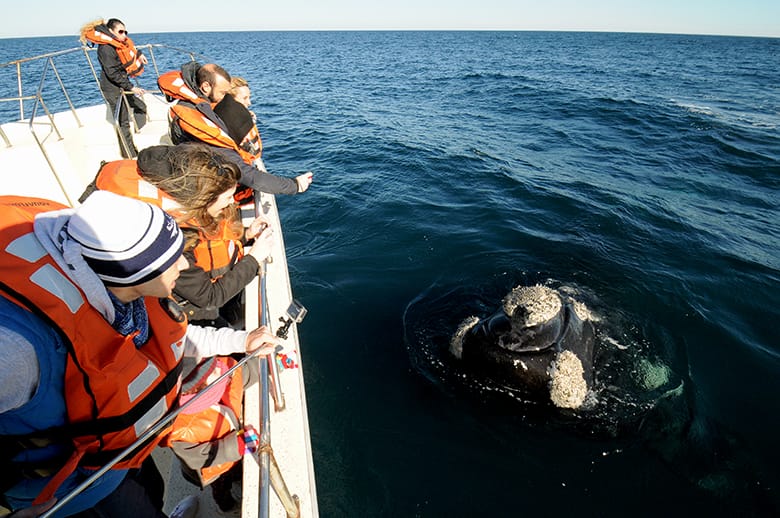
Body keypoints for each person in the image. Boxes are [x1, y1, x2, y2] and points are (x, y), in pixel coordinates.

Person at [0, 191, 280, 517]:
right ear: (136, 272)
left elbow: (173, 336)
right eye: (171, 259)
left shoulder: (124, 290)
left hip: (121, 451)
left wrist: (241, 340)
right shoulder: (16, 350)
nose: (186, 264)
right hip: (64, 492)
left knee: (153, 490)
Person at [158, 62, 312, 196]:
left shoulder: (197, 97)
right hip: (197, 181)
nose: (225, 99)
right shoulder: (198, 121)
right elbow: (246, 174)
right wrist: (294, 185)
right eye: (224, 93)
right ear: (205, 86)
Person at [80, 18, 148, 159]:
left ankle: (136, 134)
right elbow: (112, 73)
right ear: (111, 31)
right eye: (121, 32)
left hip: (122, 83)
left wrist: (140, 55)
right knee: (122, 121)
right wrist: (132, 88)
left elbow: (130, 49)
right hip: (112, 88)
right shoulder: (106, 49)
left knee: (140, 107)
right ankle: (129, 153)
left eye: (125, 31)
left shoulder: (119, 43)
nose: (124, 35)